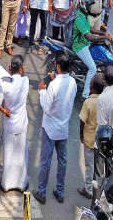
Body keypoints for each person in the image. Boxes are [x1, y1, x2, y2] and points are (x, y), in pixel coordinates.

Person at [34, 54, 77, 205]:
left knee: (45, 162)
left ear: (58, 66)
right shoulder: (73, 82)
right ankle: (60, 191)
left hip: (50, 129)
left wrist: (41, 91)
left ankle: (41, 192)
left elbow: (46, 107)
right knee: (62, 161)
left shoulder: (53, 85)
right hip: (63, 129)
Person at [71, 0, 113, 98]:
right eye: (89, 6)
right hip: (80, 47)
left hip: (85, 44)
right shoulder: (79, 19)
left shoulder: (84, 15)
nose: (90, 8)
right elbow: (89, 37)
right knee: (92, 68)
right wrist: (104, 37)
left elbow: (90, 28)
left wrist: (103, 32)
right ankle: (85, 96)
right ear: (83, 5)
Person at [0, 55, 30, 192]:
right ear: (22, 68)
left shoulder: (5, 85)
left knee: (8, 154)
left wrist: (4, 110)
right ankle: (21, 183)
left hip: (9, 123)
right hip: (21, 124)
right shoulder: (25, 81)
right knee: (21, 155)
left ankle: (6, 184)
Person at [78, 74, 105, 199]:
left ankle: (88, 189)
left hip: (89, 140)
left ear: (93, 88)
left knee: (89, 166)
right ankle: (99, 188)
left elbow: (82, 120)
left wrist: (81, 134)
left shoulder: (88, 102)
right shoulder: (104, 100)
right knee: (99, 167)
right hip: (100, 141)